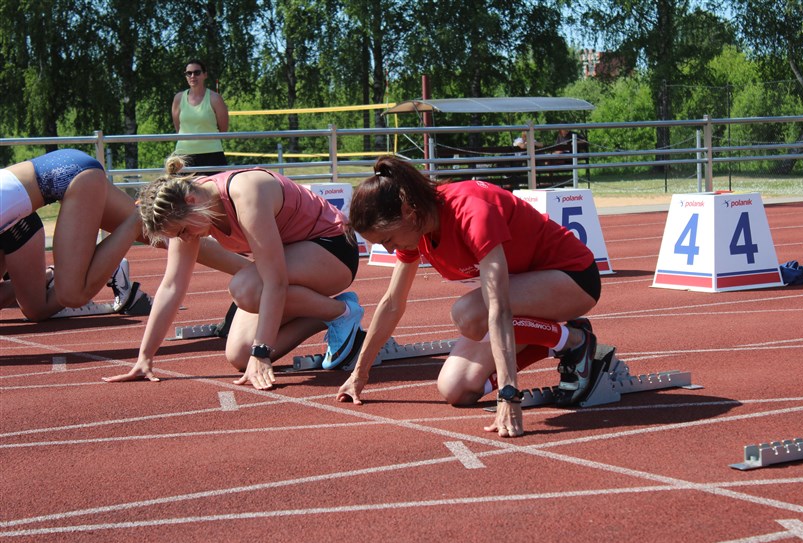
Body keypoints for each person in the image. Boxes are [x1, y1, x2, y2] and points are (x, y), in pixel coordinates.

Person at [336, 156, 601, 438]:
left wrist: (509, 396)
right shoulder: (417, 228)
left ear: (406, 211)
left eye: (387, 240)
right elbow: (391, 303)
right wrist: (359, 374)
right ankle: (562, 341)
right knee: (457, 389)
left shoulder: (470, 210)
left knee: (469, 314)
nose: (389, 250)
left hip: (572, 279)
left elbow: (498, 306)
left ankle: (576, 340)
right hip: (522, 294)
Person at [103, 155, 364, 389]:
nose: (185, 238)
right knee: (240, 355)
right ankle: (330, 312)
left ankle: (342, 314)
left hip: (334, 250)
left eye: (183, 231)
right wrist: (145, 357)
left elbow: (275, 281)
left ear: (191, 200)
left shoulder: (246, 194)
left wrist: (261, 353)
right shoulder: (191, 211)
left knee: (246, 289)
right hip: (296, 256)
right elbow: (172, 286)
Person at [0, 148, 144, 321]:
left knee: (72, 294)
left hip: (71, 174)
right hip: (61, 172)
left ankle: (143, 215)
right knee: (36, 309)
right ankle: (58, 273)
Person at [171, 59, 229, 172]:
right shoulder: (178, 98)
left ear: (204, 75)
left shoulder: (215, 98)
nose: (193, 76)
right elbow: (178, 128)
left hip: (212, 155)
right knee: (182, 190)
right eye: (189, 73)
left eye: (197, 72)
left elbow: (223, 129)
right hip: (183, 156)